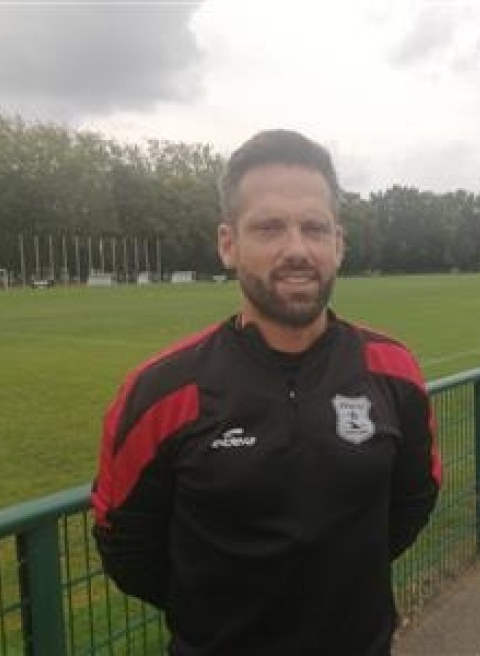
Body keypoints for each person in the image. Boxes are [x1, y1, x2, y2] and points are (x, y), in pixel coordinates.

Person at [91, 129, 441, 656]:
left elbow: (413, 501)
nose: (296, 249)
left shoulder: (394, 371)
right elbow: (126, 545)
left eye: (314, 228)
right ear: (228, 244)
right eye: (269, 228)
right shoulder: (161, 391)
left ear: (338, 243)